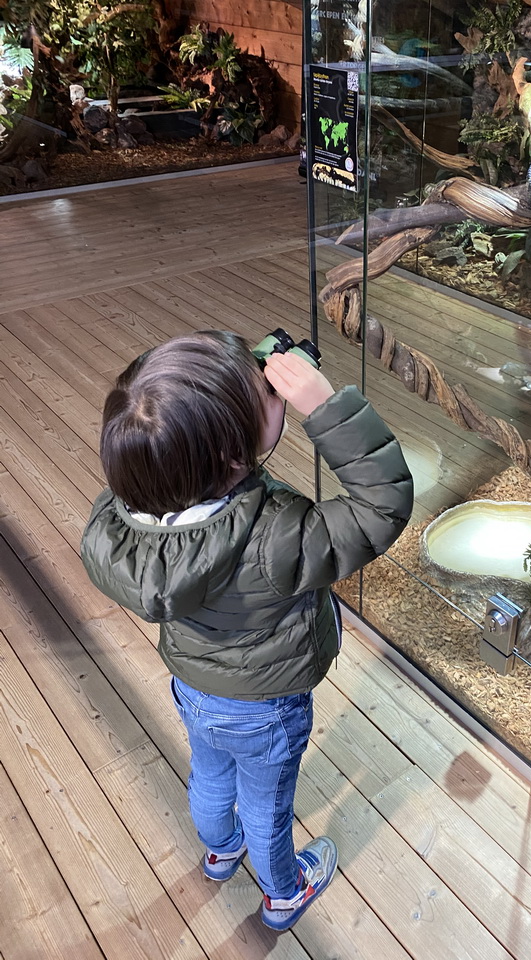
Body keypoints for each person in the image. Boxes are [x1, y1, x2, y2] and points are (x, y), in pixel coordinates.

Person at [80, 329, 413, 931]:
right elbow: (381, 505)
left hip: (195, 686)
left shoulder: (129, 520)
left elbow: (166, 445)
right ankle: (284, 892)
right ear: (235, 456)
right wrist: (324, 406)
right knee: (267, 805)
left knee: (209, 772)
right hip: (267, 703)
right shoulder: (280, 534)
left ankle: (219, 850)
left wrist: (224, 407)